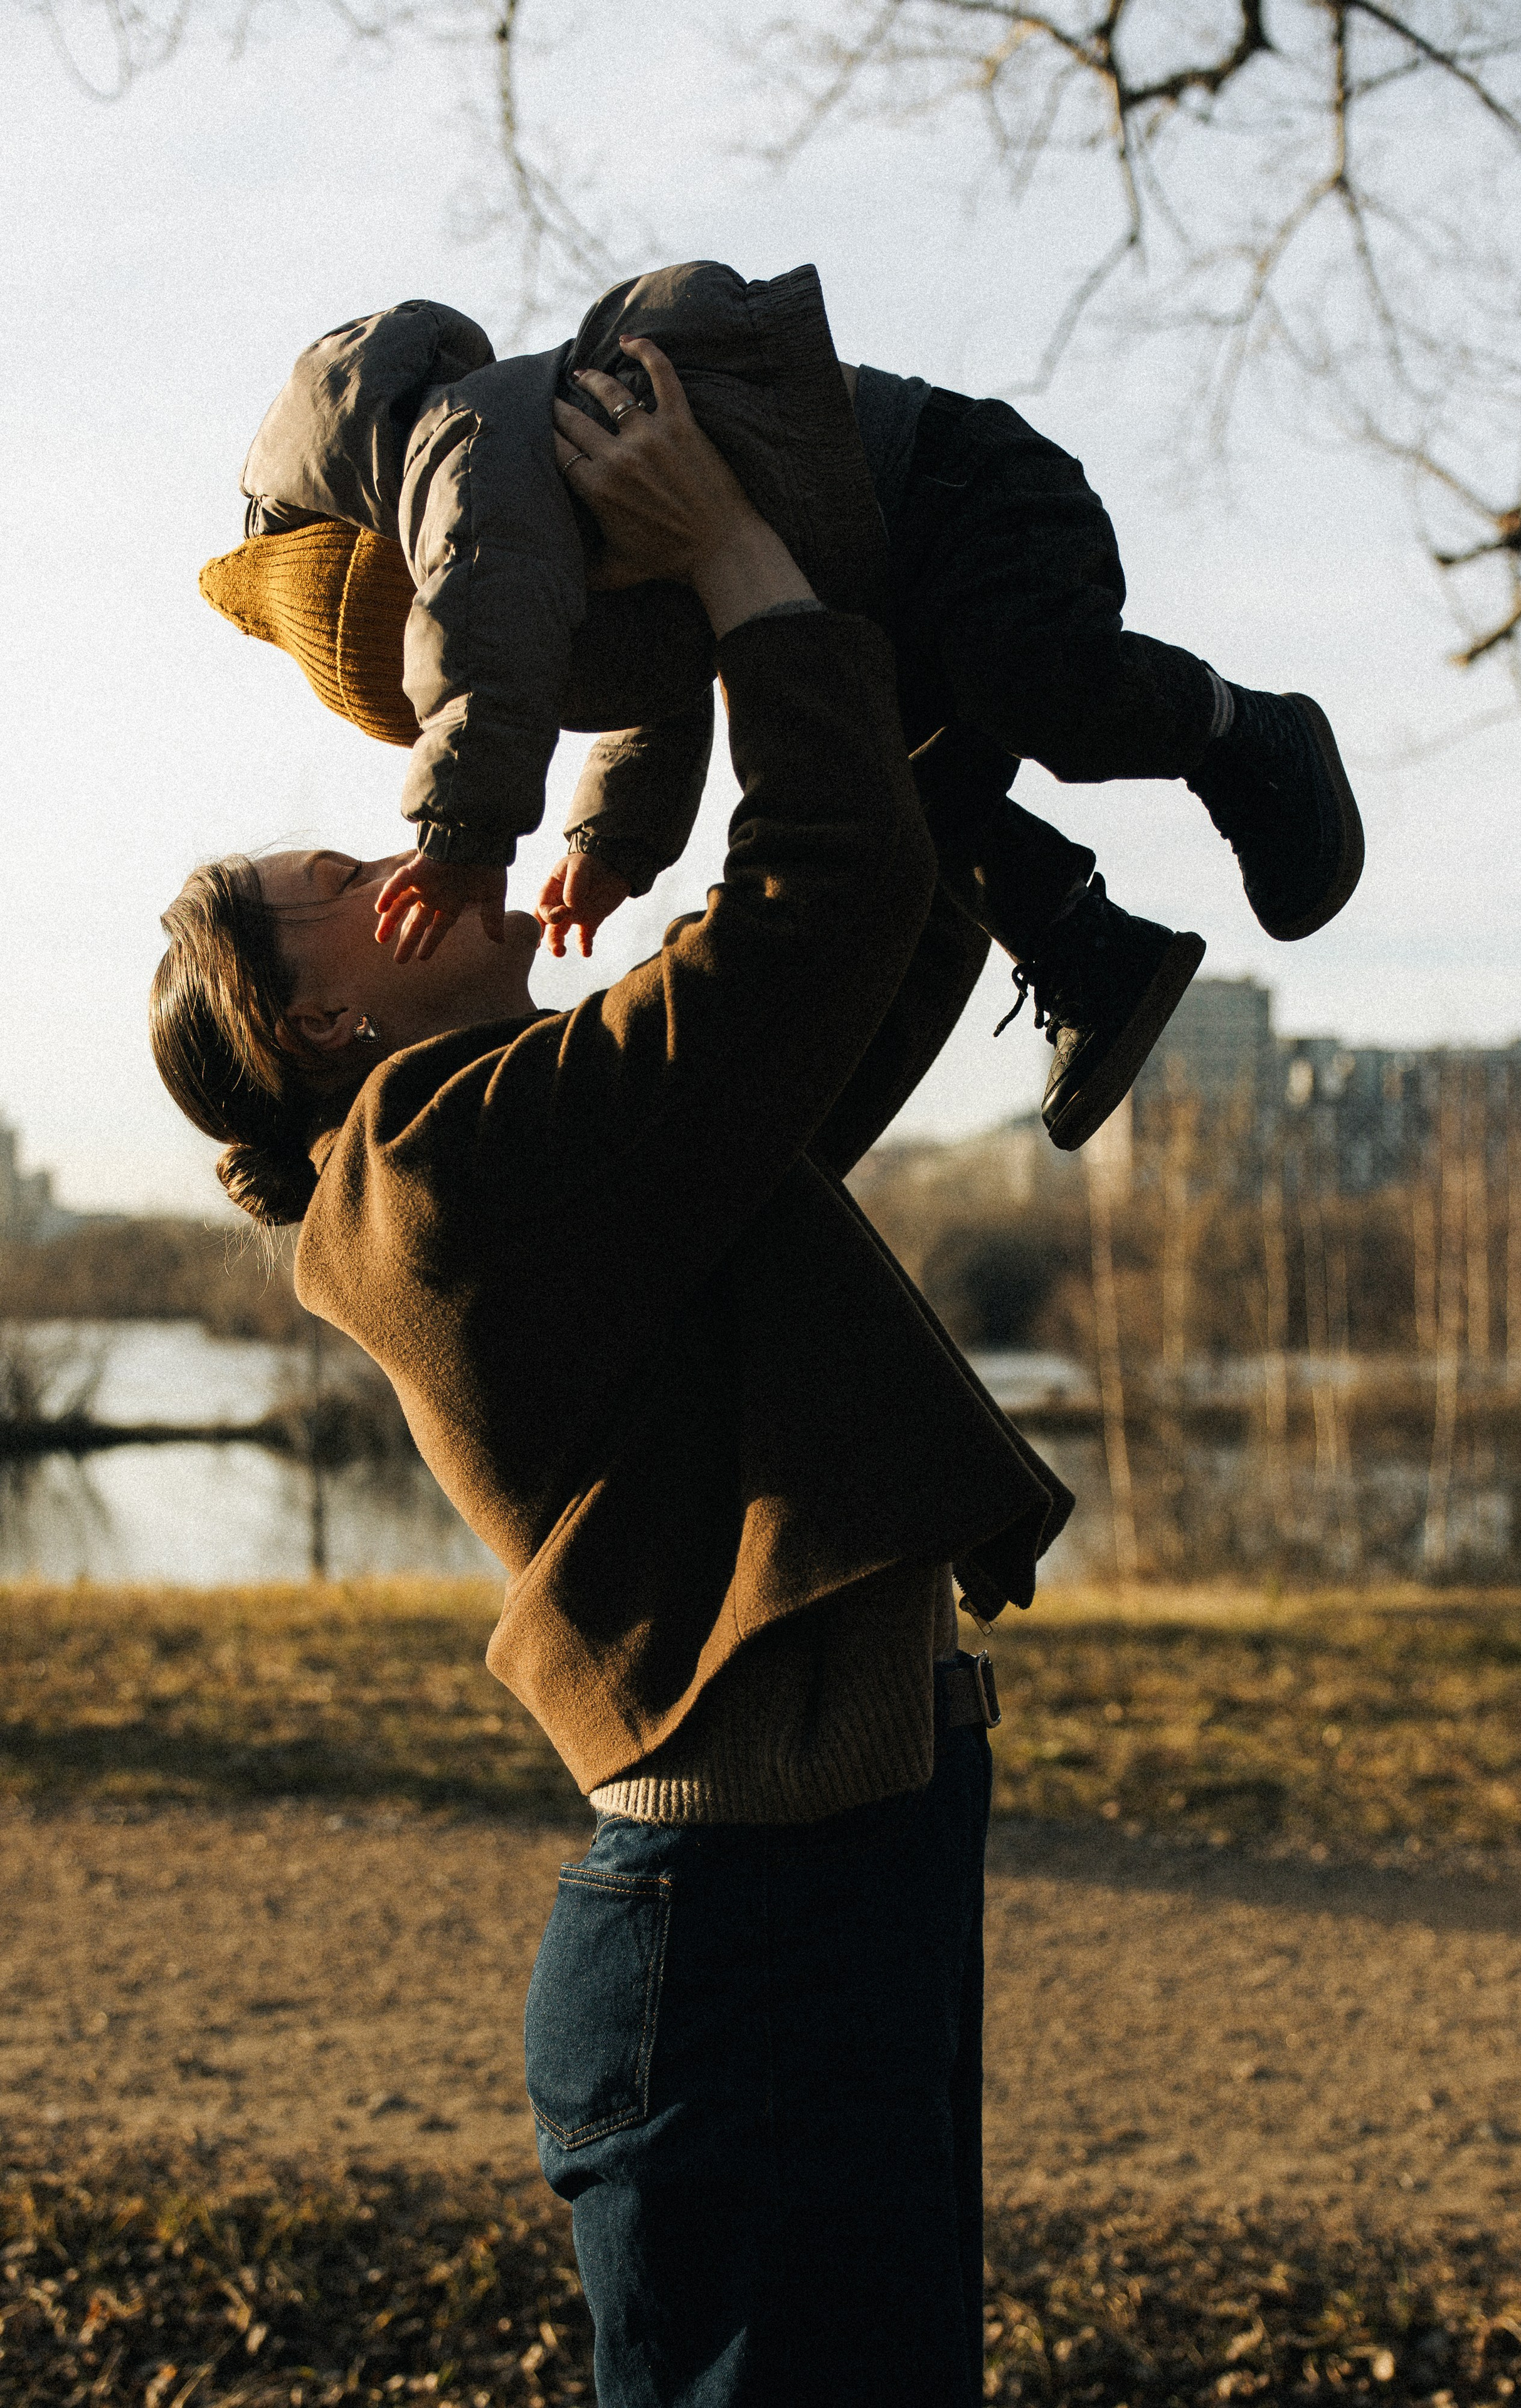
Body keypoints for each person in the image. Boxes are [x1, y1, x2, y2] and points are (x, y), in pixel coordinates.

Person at [152, 339, 1072, 2407]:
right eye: (344, 890)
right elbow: (815, 908)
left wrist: (898, 664)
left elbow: (846, 969)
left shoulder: (507, 1144)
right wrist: (731, 549)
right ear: (318, 1038)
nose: (404, 858)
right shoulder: (439, 1167)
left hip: (824, 1868)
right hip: (751, 1921)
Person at [198, 261, 1362, 1154]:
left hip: (945, 495)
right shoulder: (570, 577)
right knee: (893, 792)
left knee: (1042, 688)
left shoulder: (473, 451)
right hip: (869, 611)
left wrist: (463, 829)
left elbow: (484, 602)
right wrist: (613, 840)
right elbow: (659, 694)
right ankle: (1082, 939)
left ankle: (1239, 732)